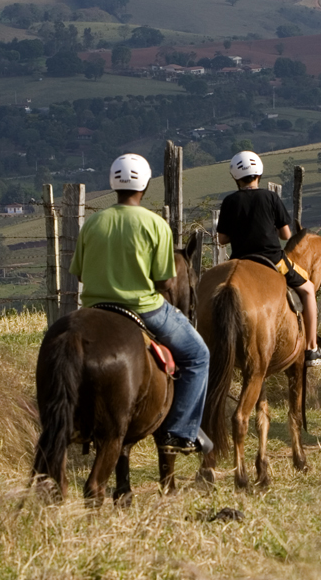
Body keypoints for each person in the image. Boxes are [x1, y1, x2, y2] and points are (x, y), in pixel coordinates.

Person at [69, 153, 210, 455]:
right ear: (145, 185)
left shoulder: (93, 223)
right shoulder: (155, 224)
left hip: (93, 310)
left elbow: (80, 272)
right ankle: (181, 431)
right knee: (198, 355)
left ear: (112, 183)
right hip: (144, 309)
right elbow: (166, 284)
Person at [216, 151, 321, 367]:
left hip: (240, 260)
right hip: (273, 260)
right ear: (259, 174)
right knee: (307, 289)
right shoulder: (270, 197)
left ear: (235, 177)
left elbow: (222, 239)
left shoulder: (230, 201)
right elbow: (286, 235)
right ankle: (312, 348)